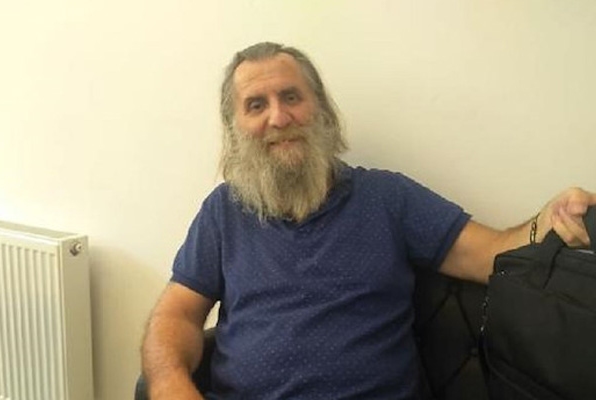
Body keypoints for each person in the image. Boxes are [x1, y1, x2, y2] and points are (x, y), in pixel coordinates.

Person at [141, 42, 595, 400]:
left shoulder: (386, 197)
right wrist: (168, 384)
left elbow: (491, 254)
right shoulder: (224, 211)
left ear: (322, 110)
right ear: (235, 127)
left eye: (291, 97)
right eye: (256, 105)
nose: (278, 117)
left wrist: (546, 219)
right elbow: (176, 314)